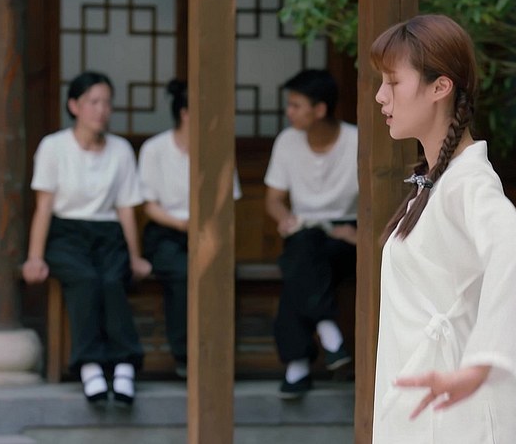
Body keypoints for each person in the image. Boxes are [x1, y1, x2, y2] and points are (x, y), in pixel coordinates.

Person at [370, 14, 516, 442]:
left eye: (393, 82)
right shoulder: (442, 180)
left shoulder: (467, 181)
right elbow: (482, 285)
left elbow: (515, 250)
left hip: (459, 418)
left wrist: (485, 364)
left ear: (440, 87)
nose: (381, 96)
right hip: (436, 407)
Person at [22, 71, 151, 406]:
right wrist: (35, 257)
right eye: (93, 102)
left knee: (112, 280)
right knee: (85, 279)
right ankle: (90, 365)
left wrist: (135, 256)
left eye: (107, 102)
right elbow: (44, 206)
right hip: (66, 232)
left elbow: (126, 209)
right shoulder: (53, 147)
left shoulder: (121, 150)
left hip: (108, 232)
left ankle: (124, 365)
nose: (101, 109)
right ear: (74, 106)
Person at [137, 78, 242, 379]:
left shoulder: (219, 148)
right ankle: (186, 354)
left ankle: (220, 353)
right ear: (184, 113)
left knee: (221, 272)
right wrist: (183, 224)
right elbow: (149, 205)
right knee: (183, 274)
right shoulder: (154, 149)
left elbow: (228, 203)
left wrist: (206, 229)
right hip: (167, 230)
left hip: (210, 231)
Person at [264, 69, 358, 399]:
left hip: (346, 234)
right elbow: (274, 200)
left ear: (319, 109)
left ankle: (298, 365)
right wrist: (285, 218)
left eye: (295, 105)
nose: (288, 112)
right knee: (302, 252)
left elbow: (380, 201)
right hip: (303, 230)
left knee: (298, 268)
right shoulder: (287, 142)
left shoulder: (356, 141)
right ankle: (329, 333)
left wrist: (357, 234)